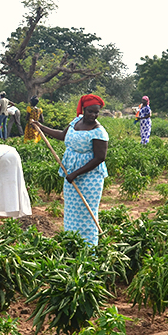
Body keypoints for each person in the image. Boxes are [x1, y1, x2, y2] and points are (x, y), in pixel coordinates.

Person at [32, 94, 108, 246]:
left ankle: (89, 249)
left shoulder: (99, 132)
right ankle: (72, 245)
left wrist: (76, 173)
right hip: (71, 175)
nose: (93, 115)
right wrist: (41, 128)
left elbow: (100, 158)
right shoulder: (76, 122)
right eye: (90, 111)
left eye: (96, 112)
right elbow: (62, 135)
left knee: (87, 214)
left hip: (89, 178)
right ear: (83, 109)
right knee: (72, 213)